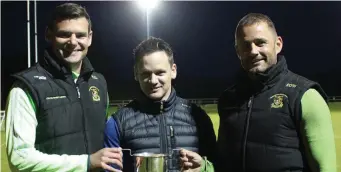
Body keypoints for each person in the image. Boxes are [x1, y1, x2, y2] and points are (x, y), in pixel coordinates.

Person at [5, 3, 123, 172]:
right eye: (64, 34)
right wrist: (86, 163)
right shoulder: (26, 87)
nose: (73, 42)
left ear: (90, 38)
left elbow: (105, 141)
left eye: (80, 35)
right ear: (48, 34)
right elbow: (20, 158)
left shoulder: (98, 83)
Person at [215, 13, 337, 172]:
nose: (253, 51)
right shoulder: (228, 99)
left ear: (278, 44)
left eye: (260, 43)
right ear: (238, 51)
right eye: (245, 45)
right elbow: (223, 162)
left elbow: (326, 168)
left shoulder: (305, 95)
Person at [104, 37, 216, 172]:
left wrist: (204, 168)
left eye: (160, 72)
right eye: (146, 74)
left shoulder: (198, 117)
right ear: (135, 74)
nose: (153, 80)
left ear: (173, 70)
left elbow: (218, 165)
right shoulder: (117, 123)